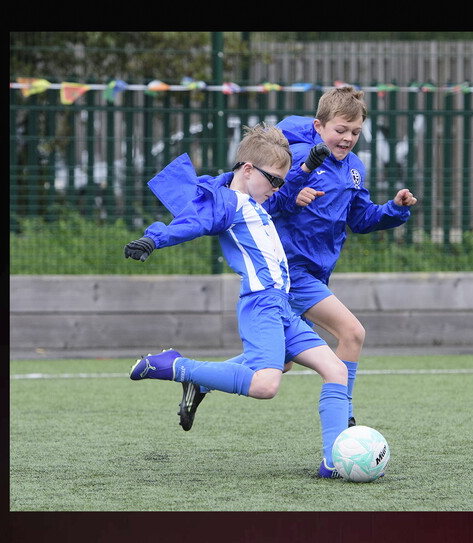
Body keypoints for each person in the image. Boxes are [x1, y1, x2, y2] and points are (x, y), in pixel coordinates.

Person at [123, 123, 349, 478]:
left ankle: (335, 463)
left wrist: (303, 169)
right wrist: (156, 238)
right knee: (265, 384)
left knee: (335, 370)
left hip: (283, 307)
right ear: (246, 170)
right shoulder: (228, 203)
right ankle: (175, 366)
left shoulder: (257, 197)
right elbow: (193, 222)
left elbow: (284, 191)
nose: (276, 188)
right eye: (272, 180)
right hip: (261, 304)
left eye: (278, 182)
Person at [264, 86, 418, 428]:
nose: (347, 138)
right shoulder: (298, 158)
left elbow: (361, 219)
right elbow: (264, 202)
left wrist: (394, 208)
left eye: (355, 132)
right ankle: (343, 419)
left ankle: (194, 376)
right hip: (288, 270)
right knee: (352, 333)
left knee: (277, 364)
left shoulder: (354, 169)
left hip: (316, 274)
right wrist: (292, 194)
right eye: (340, 130)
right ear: (319, 126)